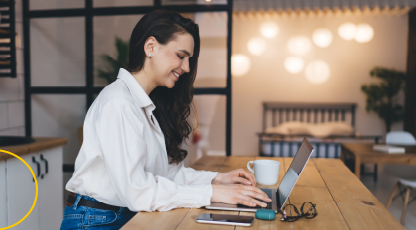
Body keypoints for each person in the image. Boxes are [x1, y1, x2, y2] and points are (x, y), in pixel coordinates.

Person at [60, 10, 271, 230]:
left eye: (189, 59)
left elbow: (163, 174)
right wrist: (211, 193)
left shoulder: (143, 103)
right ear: (150, 47)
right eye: (181, 56)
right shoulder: (119, 103)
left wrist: (216, 180)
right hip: (97, 220)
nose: (187, 68)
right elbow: (137, 192)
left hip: (119, 215)